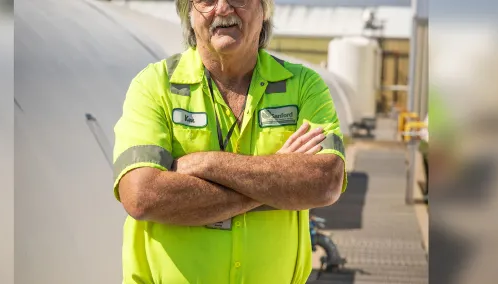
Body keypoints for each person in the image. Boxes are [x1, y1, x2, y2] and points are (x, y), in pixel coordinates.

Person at [112, 0, 347, 283]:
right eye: (206, 1)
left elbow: (325, 181)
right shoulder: (154, 85)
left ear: (264, 9)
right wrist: (278, 182)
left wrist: (205, 163)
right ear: (189, 11)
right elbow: (142, 196)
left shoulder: (303, 86)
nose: (223, 9)